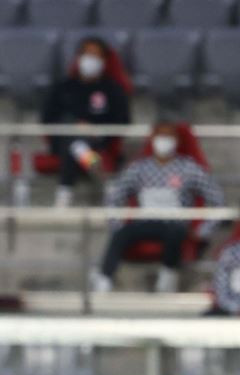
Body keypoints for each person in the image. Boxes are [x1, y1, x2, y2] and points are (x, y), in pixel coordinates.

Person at [93, 121, 225, 293]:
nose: (164, 141)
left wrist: (202, 231)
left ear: (176, 140)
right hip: (144, 222)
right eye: (160, 136)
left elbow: (218, 200)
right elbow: (114, 196)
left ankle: (167, 277)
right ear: (152, 139)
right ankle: (104, 279)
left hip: (174, 223)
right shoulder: (139, 168)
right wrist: (115, 223)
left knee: (175, 232)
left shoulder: (188, 168)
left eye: (168, 136)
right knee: (120, 234)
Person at [41, 36, 131, 207]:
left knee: (75, 142)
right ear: (79, 58)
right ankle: (103, 178)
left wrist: (94, 130)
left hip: (99, 140)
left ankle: (64, 190)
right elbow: (47, 118)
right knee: (73, 136)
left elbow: (123, 120)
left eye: (95, 55)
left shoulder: (112, 89)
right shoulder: (63, 87)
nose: (90, 60)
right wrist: (75, 125)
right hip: (63, 139)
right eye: (87, 54)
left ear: (104, 61)